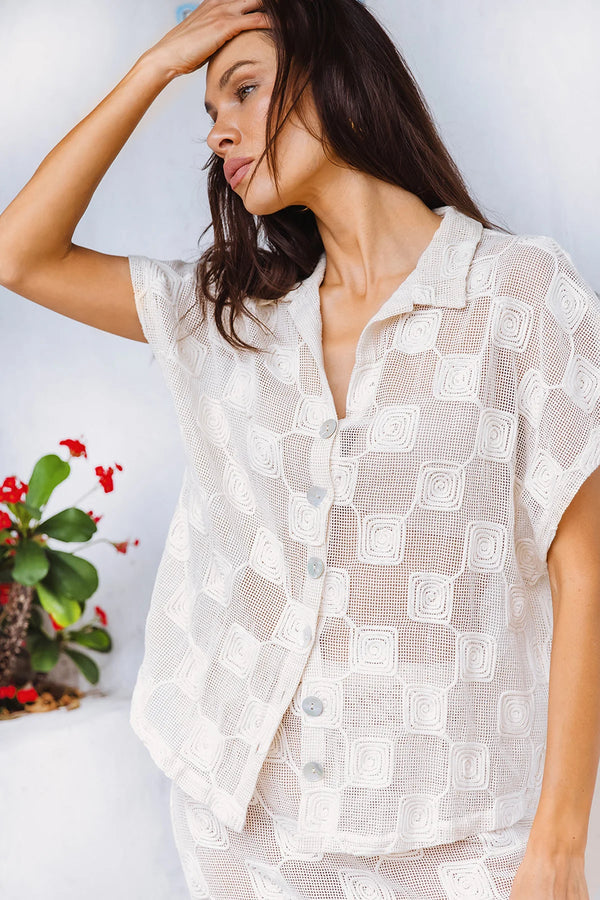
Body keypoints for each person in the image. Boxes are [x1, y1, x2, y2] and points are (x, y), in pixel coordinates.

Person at [1, 0, 598, 897]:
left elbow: (583, 568)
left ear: (337, 73)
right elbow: (21, 254)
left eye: (243, 90)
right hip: (249, 833)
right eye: (206, 114)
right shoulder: (237, 318)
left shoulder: (517, 293)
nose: (221, 133)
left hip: (466, 835)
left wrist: (557, 847)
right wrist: (154, 67)